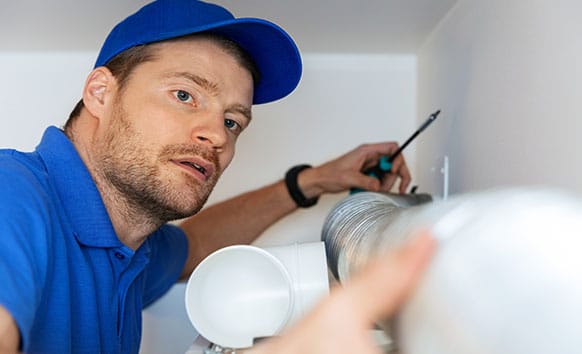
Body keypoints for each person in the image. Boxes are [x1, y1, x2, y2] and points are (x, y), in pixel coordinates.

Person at [0, 0, 424, 353]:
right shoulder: (13, 195)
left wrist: (310, 182)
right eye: (185, 95)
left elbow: (196, 245)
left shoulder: (130, 245)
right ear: (100, 93)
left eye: (233, 121)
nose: (217, 135)